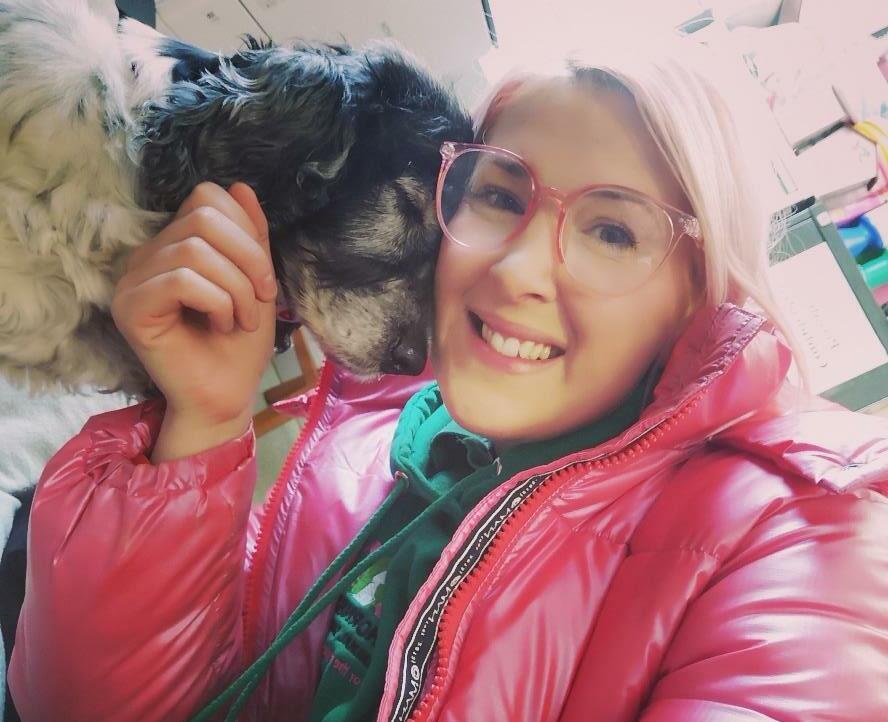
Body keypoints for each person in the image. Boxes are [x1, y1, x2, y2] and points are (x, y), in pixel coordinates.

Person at [8, 33, 888, 722]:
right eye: (500, 195)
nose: (517, 269)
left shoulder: (805, 537)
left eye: (612, 232)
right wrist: (200, 426)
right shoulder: (368, 443)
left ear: (699, 294)